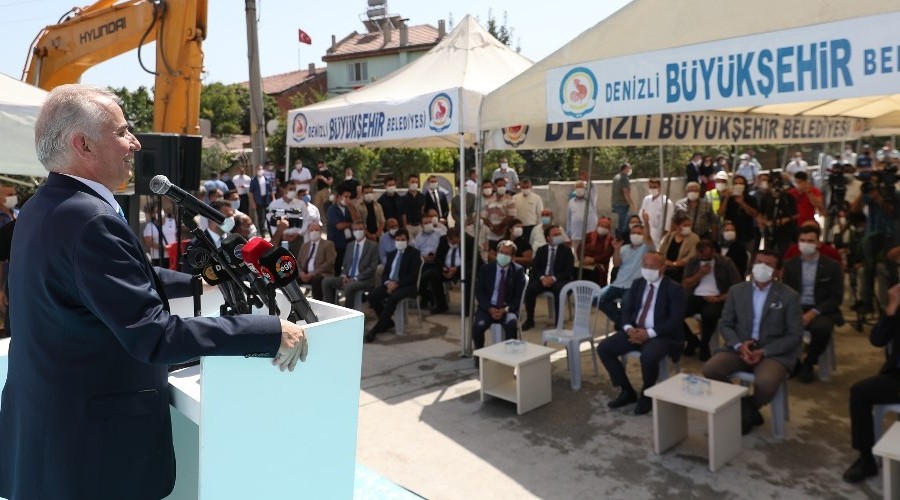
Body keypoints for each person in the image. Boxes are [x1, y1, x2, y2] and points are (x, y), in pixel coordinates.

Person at [0, 85, 308, 500]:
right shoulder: (90, 220)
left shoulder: (44, 207)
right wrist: (267, 331)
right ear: (83, 145)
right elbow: (154, 335)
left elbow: (109, 278)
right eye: (122, 131)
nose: (135, 143)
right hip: (90, 456)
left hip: (47, 434)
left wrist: (198, 282)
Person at [701, 250, 803, 435]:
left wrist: (763, 352)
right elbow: (725, 324)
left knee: (766, 382)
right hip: (739, 347)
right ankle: (744, 410)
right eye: (759, 262)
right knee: (711, 369)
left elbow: (794, 335)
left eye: (768, 264)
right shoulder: (737, 291)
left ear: (777, 271)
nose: (762, 267)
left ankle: (748, 407)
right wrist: (739, 345)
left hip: (772, 352)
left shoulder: (789, 296)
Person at [597, 251, 686, 415]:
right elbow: (627, 310)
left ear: (662, 268)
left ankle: (647, 393)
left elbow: (675, 321)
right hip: (635, 330)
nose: (648, 270)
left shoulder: (674, 289)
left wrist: (648, 334)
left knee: (648, 357)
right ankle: (626, 390)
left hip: (662, 335)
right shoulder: (638, 283)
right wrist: (628, 329)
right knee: (604, 348)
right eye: (645, 265)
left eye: (652, 267)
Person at [843, 284, 900, 483]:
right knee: (860, 392)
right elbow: (877, 340)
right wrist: (891, 309)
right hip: (896, 376)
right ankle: (866, 459)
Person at [782, 224, 844, 383]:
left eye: (810, 241)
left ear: (818, 243)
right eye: (802, 240)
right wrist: (795, 311)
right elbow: (784, 292)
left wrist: (814, 312)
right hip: (796, 306)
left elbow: (836, 297)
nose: (806, 244)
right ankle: (792, 362)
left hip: (822, 308)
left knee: (822, 328)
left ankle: (809, 362)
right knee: (774, 322)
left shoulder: (832, 266)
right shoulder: (790, 265)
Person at [682, 240, 743, 361]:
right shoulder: (693, 262)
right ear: (697, 253)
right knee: (675, 313)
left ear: (714, 251)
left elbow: (737, 286)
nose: (705, 258)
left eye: (708, 256)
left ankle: (704, 344)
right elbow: (685, 284)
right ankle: (692, 340)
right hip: (695, 296)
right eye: (702, 256)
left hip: (717, 296)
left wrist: (720, 298)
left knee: (709, 314)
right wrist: (700, 274)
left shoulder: (725, 262)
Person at [472, 240, 527, 356]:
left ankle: (511, 356)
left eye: (507, 253)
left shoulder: (518, 271)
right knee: (478, 326)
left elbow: (519, 297)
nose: (503, 255)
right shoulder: (486, 268)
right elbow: (480, 292)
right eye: (501, 252)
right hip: (488, 307)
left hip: (507, 309)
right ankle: (479, 355)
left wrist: (504, 310)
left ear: (513, 257)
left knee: (511, 324)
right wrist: (489, 309)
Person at [597, 222, 655, 329]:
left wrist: (646, 222)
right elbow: (616, 263)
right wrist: (617, 249)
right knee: (597, 298)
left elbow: (648, 238)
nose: (636, 235)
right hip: (618, 283)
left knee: (626, 303)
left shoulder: (647, 248)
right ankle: (623, 323)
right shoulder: (624, 248)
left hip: (633, 286)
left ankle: (623, 324)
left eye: (639, 233)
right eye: (633, 233)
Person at [366, 229, 421, 341]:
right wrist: (388, 283)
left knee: (393, 298)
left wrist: (397, 284)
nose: (400, 242)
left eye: (403, 239)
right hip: (390, 284)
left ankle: (376, 329)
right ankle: (387, 322)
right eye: (397, 239)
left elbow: (412, 276)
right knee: (372, 296)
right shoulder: (392, 254)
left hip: (406, 286)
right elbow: (385, 273)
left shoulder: (414, 253)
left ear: (407, 240)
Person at [521, 225, 574, 331]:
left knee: (560, 290)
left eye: (559, 234)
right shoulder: (541, 250)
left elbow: (568, 271)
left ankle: (558, 323)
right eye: (555, 235)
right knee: (530, 289)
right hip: (543, 279)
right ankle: (530, 320)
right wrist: (542, 278)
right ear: (548, 238)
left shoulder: (566, 251)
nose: (558, 236)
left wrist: (553, 278)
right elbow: (535, 267)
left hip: (558, 279)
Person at [322, 221, 379, 305]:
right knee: (326, 281)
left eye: (360, 229)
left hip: (364, 280)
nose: (358, 231)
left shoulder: (373, 246)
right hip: (348, 278)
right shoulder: (350, 245)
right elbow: (345, 264)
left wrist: (355, 279)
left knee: (349, 287)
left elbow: (372, 267)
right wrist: (344, 276)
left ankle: (348, 311)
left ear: (365, 230)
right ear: (352, 231)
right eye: (355, 229)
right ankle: (330, 307)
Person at [717, 174, 759, 251]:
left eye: (741, 183)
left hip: (747, 234)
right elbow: (720, 213)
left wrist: (742, 203)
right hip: (731, 234)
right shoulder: (728, 198)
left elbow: (754, 214)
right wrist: (726, 198)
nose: (738, 185)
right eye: (736, 183)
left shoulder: (751, 199)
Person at [295, 222, 336, 301]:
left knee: (316, 280)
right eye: (311, 230)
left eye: (316, 230)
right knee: (291, 279)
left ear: (320, 231)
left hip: (321, 274)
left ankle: (318, 303)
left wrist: (312, 273)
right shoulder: (304, 245)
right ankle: (296, 302)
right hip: (304, 274)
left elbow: (329, 263)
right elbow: (298, 262)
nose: (314, 232)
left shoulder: (328, 244)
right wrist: (301, 273)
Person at [657, 213, 699, 283]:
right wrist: (664, 261)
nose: (688, 227)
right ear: (677, 226)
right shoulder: (669, 236)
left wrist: (674, 264)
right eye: (685, 225)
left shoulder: (694, 238)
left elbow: (692, 256)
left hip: (682, 272)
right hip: (666, 270)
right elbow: (661, 251)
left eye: (689, 225)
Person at [638, 177, 674, 248]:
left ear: (660, 187)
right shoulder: (646, 199)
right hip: (646, 233)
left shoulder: (666, 203)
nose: (652, 189)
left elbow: (668, 223)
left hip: (658, 236)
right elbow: (641, 215)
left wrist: (664, 239)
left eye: (654, 187)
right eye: (650, 187)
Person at [579, 217, 615, 286]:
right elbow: (580, 249)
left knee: (596, 273)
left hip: (600, 265)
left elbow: (607, 254)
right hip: (585, 263)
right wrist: (583, 258)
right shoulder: (588, 236)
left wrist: (594, 259)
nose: (603, 228)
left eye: (606, 227)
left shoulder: (611, 240)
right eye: (601, 226)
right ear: (597, 226)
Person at [142, 201, 178, 268]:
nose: (158, 213)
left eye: (159, 210)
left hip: (174, 256)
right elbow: (148, 242)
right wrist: (165, 248)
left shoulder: (172, 222)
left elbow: (179, 236)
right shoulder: (150, 226)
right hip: (158, 258)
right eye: (155, 212)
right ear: (151, 214)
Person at [565, 180, 598, 249]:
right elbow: (569, 219)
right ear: (575, 189)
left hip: (589, 233)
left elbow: (593, 190)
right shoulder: (571, 202)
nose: (579, 189)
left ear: (585, 189)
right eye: (578, 187)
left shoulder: (590, 200)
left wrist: (588, 180)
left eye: (581, 187)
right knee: (577, 253)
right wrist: (568, 234)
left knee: (589, 252)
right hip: (576, 234)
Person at [611, 162, 637, 239]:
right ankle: (621, 239)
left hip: (615, 203)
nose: (630, 170)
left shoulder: (616, 177)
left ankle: (619, 238)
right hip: (622, 204)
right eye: (629, 168)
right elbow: (626, 193)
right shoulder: (624, 178)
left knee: (621, 222)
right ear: (625, 168)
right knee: (623, 225)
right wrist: (632, 204)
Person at [249, 165, 275, 237]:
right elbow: (251, 193)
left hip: (267, 200)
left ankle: (270, 231)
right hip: (258, 201)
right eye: (258, 169)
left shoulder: (266, 179)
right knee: (261, 218)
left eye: (260, 169)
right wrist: (253, 203)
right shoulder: (253, 180)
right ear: (255, 170)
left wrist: (273, 199)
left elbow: (271, 191)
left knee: (269, 216)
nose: (260, 170)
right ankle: (262, 232)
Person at [401, 175, 426, 240]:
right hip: (409, 226)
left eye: (416, 182)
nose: (414, 184)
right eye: (412, 182)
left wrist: (423, 225)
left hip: (419, 226)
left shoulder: (422, 196)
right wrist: (405, 227)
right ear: (408, 183)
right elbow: (403, 214)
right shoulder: (404, 198)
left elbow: (422, 211)